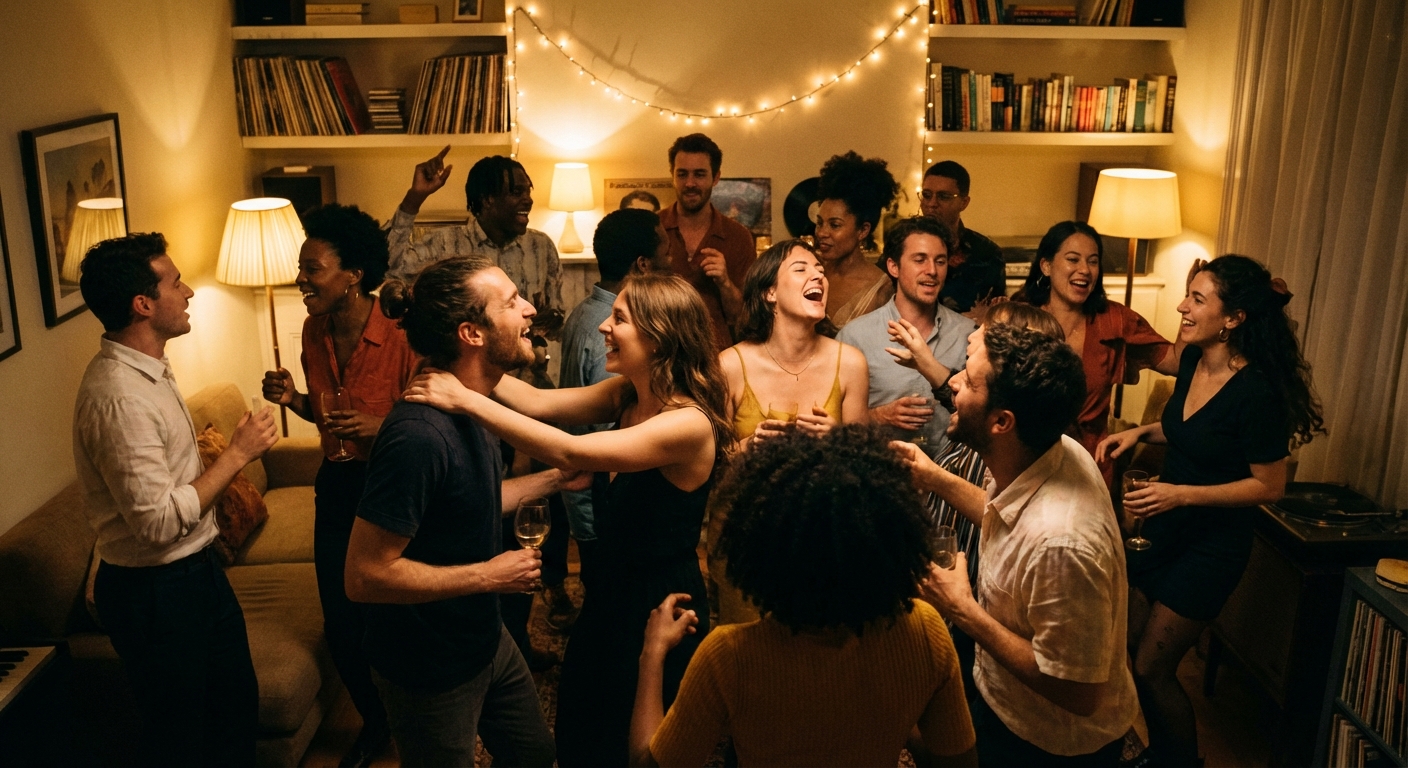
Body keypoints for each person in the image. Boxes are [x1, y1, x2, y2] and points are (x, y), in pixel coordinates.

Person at [402, 272, 732, 767]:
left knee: (641, 750)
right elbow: (539, 404)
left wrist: (465, 399)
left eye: (618, 318)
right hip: (605, 597)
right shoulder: (627, 394)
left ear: (660, 335)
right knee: (583, 737)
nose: (602, 326)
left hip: (661, 606)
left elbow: (568, 448)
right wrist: (459, 361)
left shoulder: (688, 424)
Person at [629, 426, 978, 767]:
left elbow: (648, 762)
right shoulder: (926, 630)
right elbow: (957, 760)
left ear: (756, 549)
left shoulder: (729, 656)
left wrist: (652, 653)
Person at [1096, 255, 1324, 768]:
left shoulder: (1257, 391)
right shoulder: (1196, 361)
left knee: (1154, 668)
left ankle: (1180, 763)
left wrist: (1179, 494)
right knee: (1131, 654)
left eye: (1197, 299)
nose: (1181, 306)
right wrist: (1139, 432)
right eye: (1188, 295)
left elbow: (1269, 486)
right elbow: (1190, 431)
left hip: (1211, 548)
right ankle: (1159, 754)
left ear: (1234, 318)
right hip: (1165, 529)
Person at [343, 256, 557, 768]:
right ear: (472, 333)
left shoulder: (470, 400)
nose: (529, 309)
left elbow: (466, 505)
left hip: (484, 638)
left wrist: (554, 479)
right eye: (509, 302)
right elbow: (364, 576)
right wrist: (489, 575)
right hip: (427, 665)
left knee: (535, 755)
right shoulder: (419, 435)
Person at [74, 233, 279, 766]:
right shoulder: (119, 397)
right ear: (143, 304)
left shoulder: (152, 369)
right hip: (155, 594)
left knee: (236, 716)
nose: (187, 291)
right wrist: (236, 455)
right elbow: (159, 523)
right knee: (185, 741)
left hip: (195, 574)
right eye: (174, 282)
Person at [917, 323, 1139, 766]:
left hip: (1050, 745)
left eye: (968, 378)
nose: (953, 382)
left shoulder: (1063, 545)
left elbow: (1078, 691)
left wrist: (964, 610)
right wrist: (931, 476)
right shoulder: (1047, 451)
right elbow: (1012, 518)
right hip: (1006, 705)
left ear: (1002, 422)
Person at [258, 203, 413, 768]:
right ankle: (375, 723)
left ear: (353, 275)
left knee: (394, 611)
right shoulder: (311, 329)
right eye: (302, 267)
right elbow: (325, 415)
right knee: (341, 615)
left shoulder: (400, 331)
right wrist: (293, 400)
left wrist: (381, 426)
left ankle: (414, 717)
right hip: (338, 483)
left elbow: (436, 418)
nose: (302, 278)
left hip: (394, 484)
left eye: (313, 267)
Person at [891, 302, 1066, 700]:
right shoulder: (990, 434)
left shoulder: (1019, 462)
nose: (972, 337)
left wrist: (961, 610)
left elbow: (1066, 682)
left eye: (987, 336)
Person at [709, 238, 870, 624]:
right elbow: (703, 468)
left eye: (819, 269)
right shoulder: (729, 365)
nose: (817, 274)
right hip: (745, 538)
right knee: (749, 657)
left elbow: (867, 469)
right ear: (769, 292)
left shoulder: (849, 362)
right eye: (801, 268)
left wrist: (839, 441)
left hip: (823, 536)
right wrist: (743, 449)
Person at [557, 207, 671, 595]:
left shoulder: (582, 313)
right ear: (642, 265)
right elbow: (611, 438)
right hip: (602, 504)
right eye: (664, 257)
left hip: (587, 500)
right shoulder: (621, 332)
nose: (669, 266)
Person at [1017, 220, 1180, 484]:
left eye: (1093, 261)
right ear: (1046, 265)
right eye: (1073, 259)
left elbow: (1176, 363)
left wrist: (1191, 314)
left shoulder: (1114, 318)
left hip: (1092, 465)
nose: (1085, 270)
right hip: (1029, 460)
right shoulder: (1021, 315)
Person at [385, 148, 564, 356]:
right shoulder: (444, 244)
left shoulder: (541, 247)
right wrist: (414, 198)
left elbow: (558, 319)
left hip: (525, 381)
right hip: (461, 380)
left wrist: (546, 322)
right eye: (516, 193)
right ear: (487, 199)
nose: (528, 200)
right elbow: (389, 266)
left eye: (528, 192)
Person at [839, 216, 977, 459]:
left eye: (940, 261)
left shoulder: (969, 335)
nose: (932, 271)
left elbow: (984, 416)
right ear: (894, 267)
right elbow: (832, 422)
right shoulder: (855, 337)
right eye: (919, 260)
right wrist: (878, 416)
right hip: (880, 478)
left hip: (951, 479)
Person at [659, 133, 756, 351]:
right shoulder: (653, 228)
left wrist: (725, 283)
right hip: (660, 356)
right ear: (672, 176)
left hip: (718, 361)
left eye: (699, 174)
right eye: (682, 174)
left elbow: (746, 319)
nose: (690, 183)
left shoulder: (738, 236)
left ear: (716, 177)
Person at [814, 150, 901, 328]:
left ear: (862, 230)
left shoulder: (880, 290)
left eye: (835, 225)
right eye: (820, 223)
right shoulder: (813, 274)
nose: (822, 232)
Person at [920, 161, 1007, 321]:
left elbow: (995, 316)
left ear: (964, 203)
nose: (932, 204)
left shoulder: (987, 253)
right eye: (926, 195)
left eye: (943, 197)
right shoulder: (903, 243)